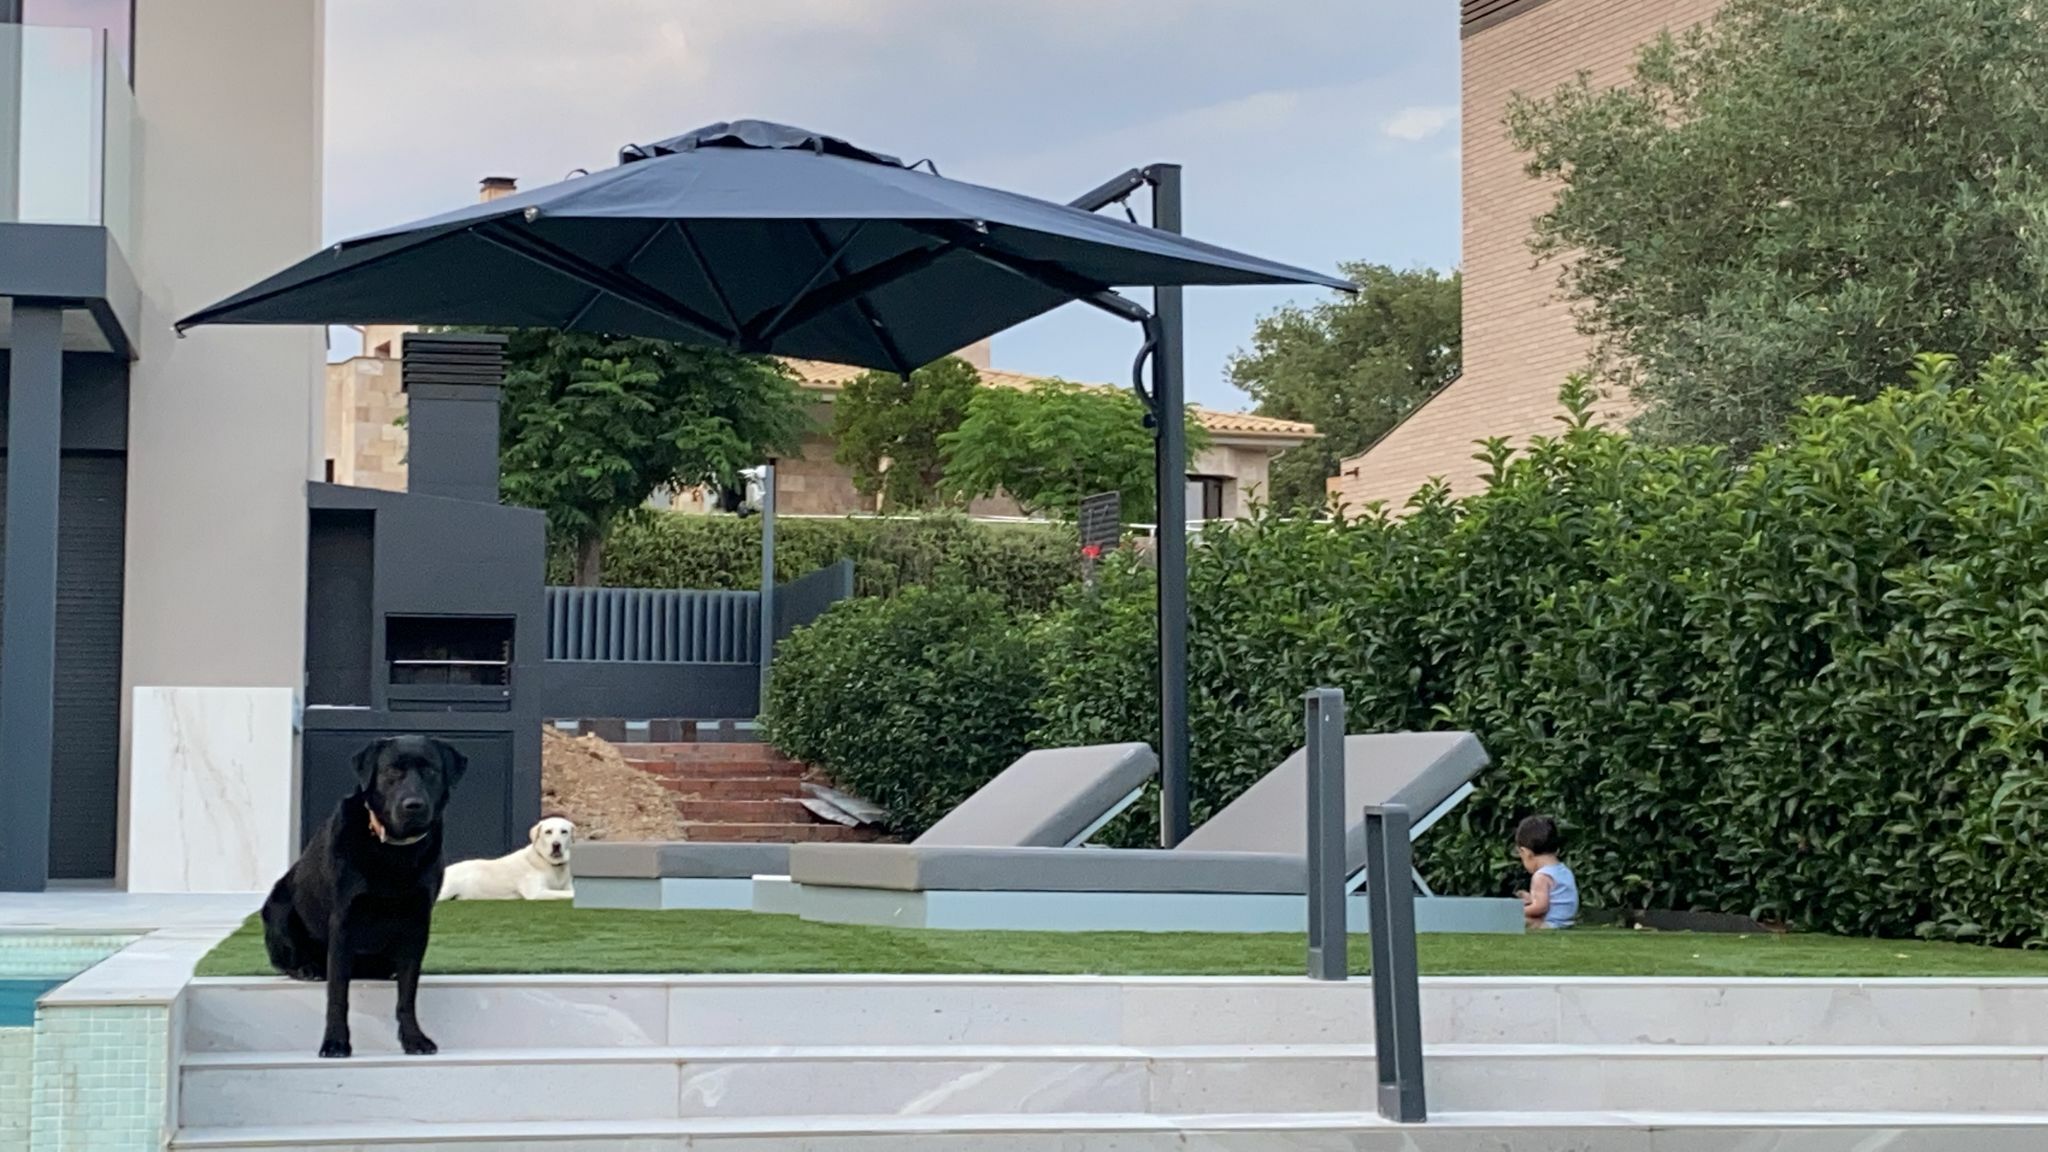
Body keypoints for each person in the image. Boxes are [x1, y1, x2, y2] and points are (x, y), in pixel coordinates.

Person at [1514, 815, 1578, 930]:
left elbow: (1541, 908)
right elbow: (1553, 900)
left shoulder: (1541, 876)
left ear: (1526, 853)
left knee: (1514, 920)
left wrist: (1516, 910)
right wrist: (1531, 899)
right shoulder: (1564, 870)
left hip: (1550, 922)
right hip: (1565, 921)